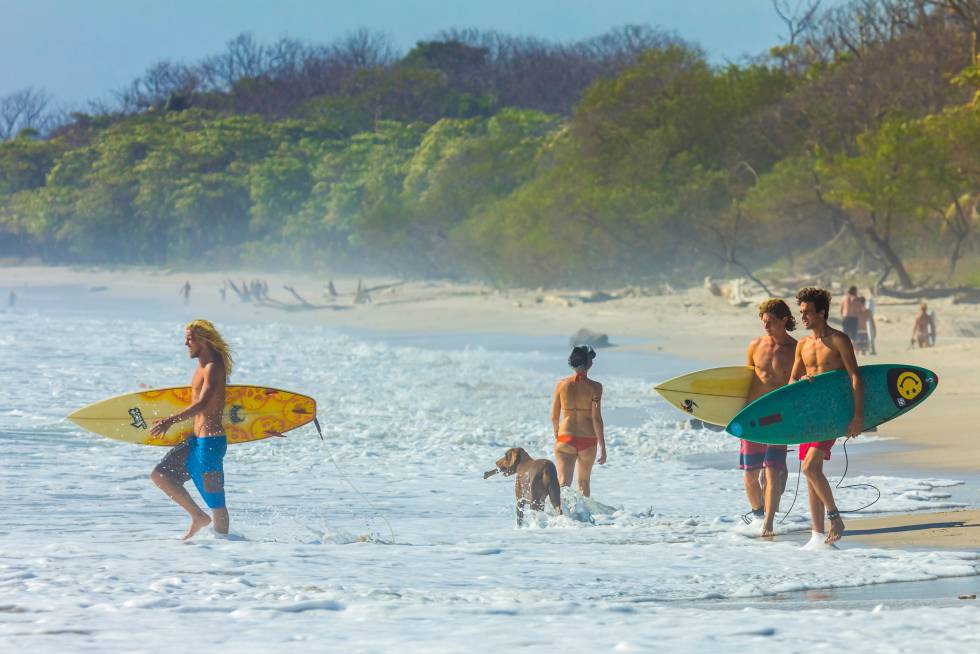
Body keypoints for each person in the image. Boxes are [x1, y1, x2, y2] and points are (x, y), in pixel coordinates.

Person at [791, 288, 864, 547]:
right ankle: (817, 535)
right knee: (812, 476)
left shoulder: (839, 340)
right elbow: (791, 382)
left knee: (809, 467)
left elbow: (855, 376)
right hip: (810, 416)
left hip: (832, 413)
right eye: (801, 313)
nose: (804, 317)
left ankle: (835, 518)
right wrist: (800, 379)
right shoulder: (802, 344)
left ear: (821, 312)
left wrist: (857, 416)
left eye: (808, 312)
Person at [149, 319, 233, 540]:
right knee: (161, 475)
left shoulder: (213, 367)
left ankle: (225, 547)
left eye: (190, 339)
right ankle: (198, 516)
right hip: (196, 440)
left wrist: (170, 421)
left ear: (203, 341)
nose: (186, 343)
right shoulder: (201, 366)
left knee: (216, 501)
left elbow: (204, 404)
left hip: (210, 444)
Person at [742, 299, 797, 537]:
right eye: (763, 321)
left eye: (770, 321)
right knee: (750, 474)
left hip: (779, 420)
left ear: (784, 319)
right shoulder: (755, 345)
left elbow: (800, 386)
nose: (766, 326)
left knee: (773, 472)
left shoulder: (796, 349)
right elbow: (744, 382)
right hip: (753, 418)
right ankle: (757, 514)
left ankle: (769, 522)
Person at [551, 345, 607, 497]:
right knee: (583, 484)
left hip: (565, 438)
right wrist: (602, 446)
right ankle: (583, 518)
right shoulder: (596, 387)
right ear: (589, 364)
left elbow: (554, 416)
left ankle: (560, 517)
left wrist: (557, 432)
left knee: (563, 483)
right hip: (588, 441)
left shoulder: (561, 385)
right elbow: (596, 418)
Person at [865, 287, 877, 355]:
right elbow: (869, 311)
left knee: (870, 334)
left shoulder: (870, 300)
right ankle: (872, 349)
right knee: (870, 334)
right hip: (869, 318)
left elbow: (869, 311)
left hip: (869, 318)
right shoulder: (870, 300)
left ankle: (872, 349)